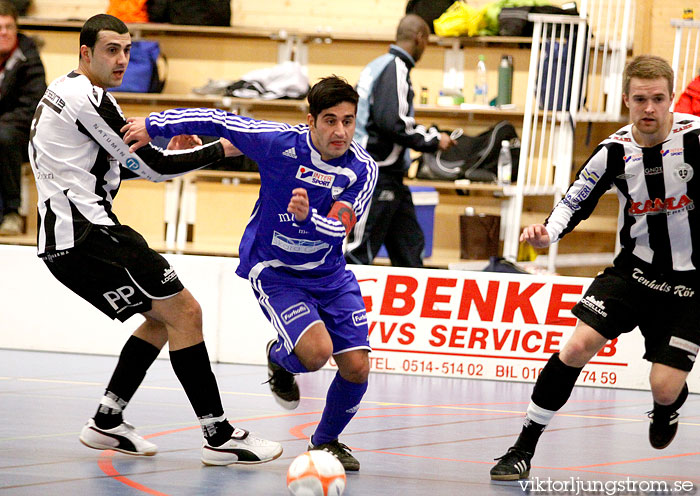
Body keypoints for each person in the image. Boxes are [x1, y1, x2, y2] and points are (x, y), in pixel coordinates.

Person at [29, 14, 282, 466]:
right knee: (186, 312)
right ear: (85, 53)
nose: (122, 59)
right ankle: (219, 435)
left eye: (127, 49)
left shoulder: (73, 93)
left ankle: (107, 420)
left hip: (67, 241)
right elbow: (154, 169)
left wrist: (178, 149)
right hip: (90, 234)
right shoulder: (88, 99)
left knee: (162, 319)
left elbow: (132, 160)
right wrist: (226, 144)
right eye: (111, 50)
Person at [122, 75, 378, 471]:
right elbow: (218, 119)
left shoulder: (362, 167)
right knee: (315, 355)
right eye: (330, 120)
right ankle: (280, 358)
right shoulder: (278, 142)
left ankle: (326, 442)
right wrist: (155, 125)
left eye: (348, 120)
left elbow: (341, 228)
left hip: (330, 274)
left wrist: (309, 218)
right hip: (275, 270)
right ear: (311, 120)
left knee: (357, 367)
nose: (340, 131)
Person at [490, 55, 699, 480]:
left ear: (670, 99)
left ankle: (667, 407)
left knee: (664, 385)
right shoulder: (615, 151)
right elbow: (574, 200)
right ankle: (522, 448)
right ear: (626, 99)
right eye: (640, 99)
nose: (649, 109)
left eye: (658, 99)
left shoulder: (696, 137)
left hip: (692, 286)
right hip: (634, 272)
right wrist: (548, 233)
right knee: (575, 347)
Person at [344, 14, 454, 268]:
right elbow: (392, 122)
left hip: (387, 174)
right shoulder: (396, 67)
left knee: (410, 252)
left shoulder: (378, 64)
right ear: (420, 38)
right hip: (376, 172)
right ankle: (335, 306)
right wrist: (434, 140)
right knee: (358, 253)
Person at [0, 0, 46, 235]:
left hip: (21, 129)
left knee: (3, 137)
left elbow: (33, 105)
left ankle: (11, 212)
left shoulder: (29, 57)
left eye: (9, 27)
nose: (4, 33)